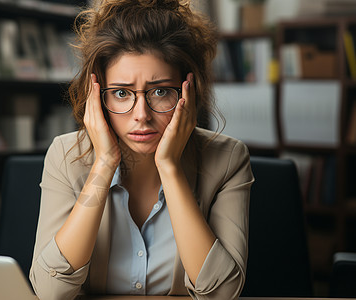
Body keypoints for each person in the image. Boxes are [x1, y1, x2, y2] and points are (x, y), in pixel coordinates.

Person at [29, 0, 254, 299]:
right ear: (97, 96)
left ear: (189, 89)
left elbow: (222, 294)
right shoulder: (65, 156)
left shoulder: (228, 160)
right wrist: (104, 164)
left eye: (160, 91)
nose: (141, 115)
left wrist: (170, 169)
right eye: (122, 93)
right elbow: (50, 291)